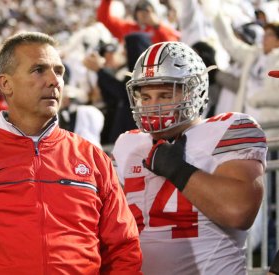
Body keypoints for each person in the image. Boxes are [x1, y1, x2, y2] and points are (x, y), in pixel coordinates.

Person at [0, 31, 142, 274]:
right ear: (5, 84)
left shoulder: (93, 158)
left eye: (59, 71)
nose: (54, 80)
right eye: (39, 70)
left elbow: (123, 248)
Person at [112, 41, 267, 275]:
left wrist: (178, 170)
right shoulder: (128, 143)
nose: (153, 107)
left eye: (164, 95)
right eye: (146, 97)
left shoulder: (229, 128)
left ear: (195, 92)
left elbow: (239, 212)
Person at [97, 0, 179, 45]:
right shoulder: (128, 27)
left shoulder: (162, 28)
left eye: (147, 11)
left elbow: (173, 45)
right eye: (139, 10)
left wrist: (157, 25)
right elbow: (104, 18)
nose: (143, 14)